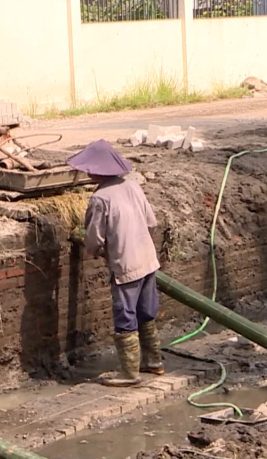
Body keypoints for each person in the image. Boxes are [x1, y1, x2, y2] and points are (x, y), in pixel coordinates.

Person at [68, 140, 164, 387]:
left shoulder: (100, 198)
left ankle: (130, 374)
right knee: (146, 312)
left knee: (125, 316)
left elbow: (94, 238)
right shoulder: (132, 186)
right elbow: (151, 222)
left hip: (126, 266)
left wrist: (88, 244)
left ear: (98, 171)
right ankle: (154, 361)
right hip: (148, 260)